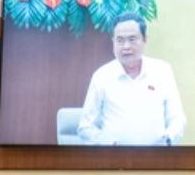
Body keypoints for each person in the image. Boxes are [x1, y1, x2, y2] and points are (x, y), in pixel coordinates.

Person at [77, 12, 186, 146]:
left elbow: (177, 119)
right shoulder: (101, 76)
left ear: (145, 39)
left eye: (132, 39)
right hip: (114, 156)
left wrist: (167, 139)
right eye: (120, 40)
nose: (126, 46)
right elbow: (85, 127)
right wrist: (110, 144)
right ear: (113, 42)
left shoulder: (162, 71)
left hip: (156, 155)